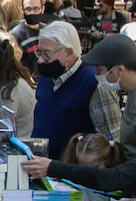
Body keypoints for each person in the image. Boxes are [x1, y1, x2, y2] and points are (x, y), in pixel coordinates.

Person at [32, 20, 120, 154]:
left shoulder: (94, 83)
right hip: (41, 163)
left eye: (47, 54)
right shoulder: (48, 76)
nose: (41, 60)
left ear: (68, 53)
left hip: (73, 169)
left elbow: (111, 139)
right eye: (39, 53)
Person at [60, 133, 122, 201]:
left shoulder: (114, 191)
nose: (87, 174)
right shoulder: (66, 184)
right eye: (81, 167)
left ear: (106, 162)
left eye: (94, 168)